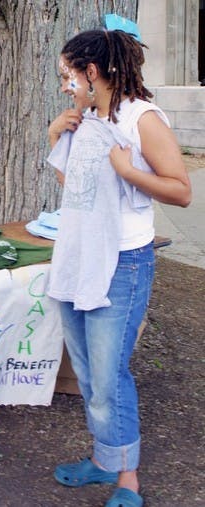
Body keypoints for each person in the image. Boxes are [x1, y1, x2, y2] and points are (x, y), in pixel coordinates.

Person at [47, 30, 191, 507]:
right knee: (88, 373)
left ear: (92, 72)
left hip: (122, 263)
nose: (66, 84)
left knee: (109, 376)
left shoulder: (141, 119)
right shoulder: (88, 117)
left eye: (70, 74)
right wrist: (56, 138)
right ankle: (104, 459)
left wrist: (131, 172)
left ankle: (127, 479)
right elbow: (81, 188)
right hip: (78, 258)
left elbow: (181, 190)